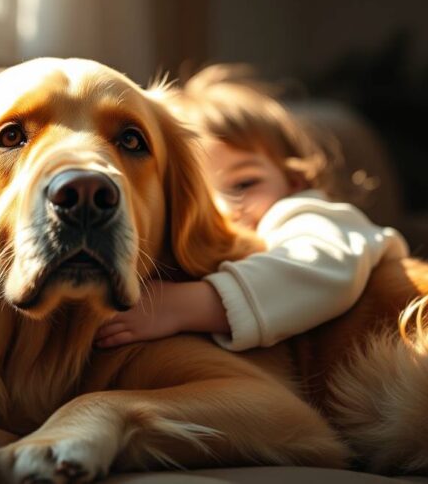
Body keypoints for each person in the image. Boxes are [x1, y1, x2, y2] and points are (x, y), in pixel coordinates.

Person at [94, 65, 409, 351]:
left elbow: (322, 268)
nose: (224, 209)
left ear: (294, 181)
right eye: (202, 195)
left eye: (244, 184)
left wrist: (183, 306)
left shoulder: (303, 214)